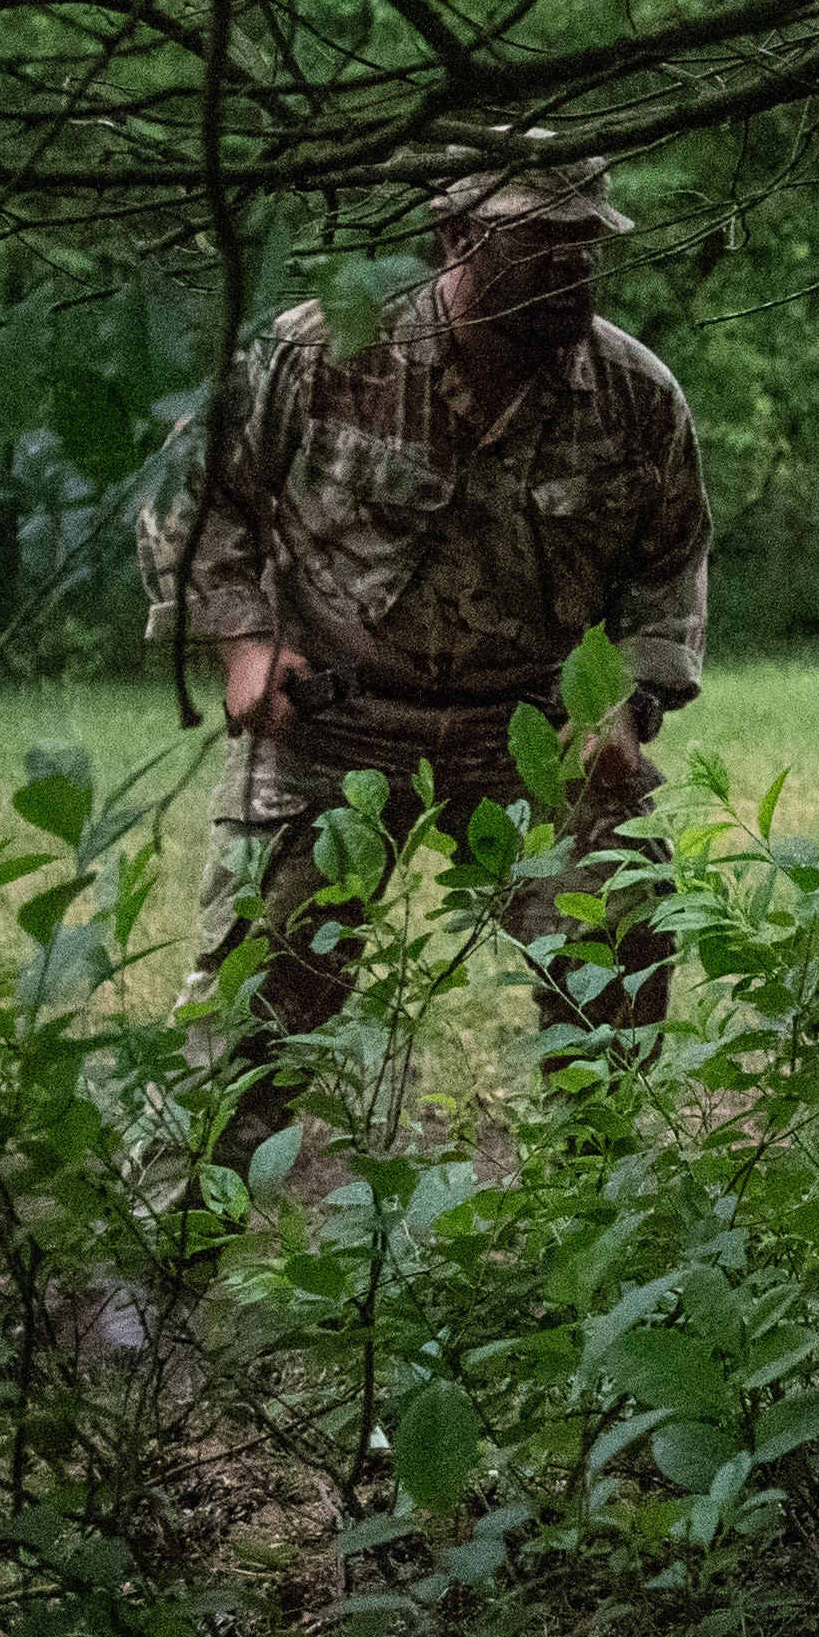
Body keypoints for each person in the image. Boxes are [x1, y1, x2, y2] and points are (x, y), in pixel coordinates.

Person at [139, 146, 709, 1164]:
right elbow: (193, 491)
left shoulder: (635, 395)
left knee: (620, 925)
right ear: (456, 237)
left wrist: (626, 694)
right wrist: (245, 639)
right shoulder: (321, 352)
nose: (570, 272)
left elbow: (668, 566)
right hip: (333, 718)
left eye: (585, 246)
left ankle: (602, 1222)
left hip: (532, 725)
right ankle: (161, 1271)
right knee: (251, 1005)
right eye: (540, 246)